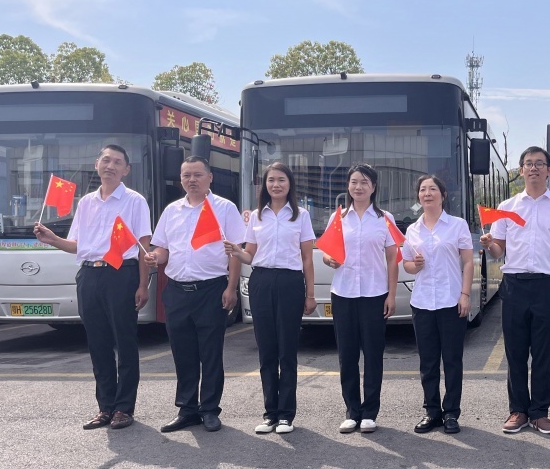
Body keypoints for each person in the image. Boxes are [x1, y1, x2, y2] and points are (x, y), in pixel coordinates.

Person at [34, 145, 152, 430]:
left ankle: (124, 408)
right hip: (89, 275)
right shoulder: (86, 202)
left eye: (118, 162)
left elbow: (143, 246)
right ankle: (105, 407)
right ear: (97, 164)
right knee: (97, 343)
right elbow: (78, 245)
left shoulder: (135, 201)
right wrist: (52, 239)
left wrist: (143, 284)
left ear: (126, 170)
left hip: (121, 275)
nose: (111, 166)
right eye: (106, 160)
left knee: (124, 341)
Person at [479, 146, 550, 435]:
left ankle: (540, 413)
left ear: (549, 170)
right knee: (516, 353)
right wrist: (489, 244)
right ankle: (519, 411)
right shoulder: (507, 207)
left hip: (548, 286)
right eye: (528, 164)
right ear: (521, 170)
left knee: (543, 354)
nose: (534, 168)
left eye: (539, 163)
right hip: (515, 286)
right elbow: (499, 250)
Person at [144, 156, 244, 433]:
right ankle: (187, 409)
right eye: (186, 175)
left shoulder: (224, 208)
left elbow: (235, 251)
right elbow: (163, 248)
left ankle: (209, 409)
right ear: (180, 179)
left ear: (210, 177)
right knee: (183, 353)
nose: (192, 180)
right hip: (177, 291)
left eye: (197, 175)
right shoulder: (172, 211)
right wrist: (155, 257)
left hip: (211, 290)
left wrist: (231, 288)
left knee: (210, 353)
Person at [223, 162, 316, 435]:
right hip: (261, 281)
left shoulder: (301, 216)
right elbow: (250, 255)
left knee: (287, 350)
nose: (276, 185)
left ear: (290, 184)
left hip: (290, 282)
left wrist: (310, 294)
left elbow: (307, 259)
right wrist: (236, 251)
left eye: (281, 180)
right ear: (264, 185)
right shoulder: (257, 216)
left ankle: (286, 415)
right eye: (271, 180)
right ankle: (270, 414)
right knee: (266, 350)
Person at [319, 163, 398, 434]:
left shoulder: (385, 218)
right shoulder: (338, 218)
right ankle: (352, 412)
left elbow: (392, 258)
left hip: (375, 294)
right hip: (344, 293)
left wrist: (391, 294)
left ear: (373, 187)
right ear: (348, 186)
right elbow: (326, 251)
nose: (358, 187)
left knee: (373, 355)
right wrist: (328, 259)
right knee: (347, 355)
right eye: (354, 182)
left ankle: (370, 413)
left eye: (364, 182)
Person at [401, 174, 474, 435]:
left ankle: (451, 412)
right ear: (418, 197)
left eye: (432, 189)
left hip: (451, 301)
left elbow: (468, 262)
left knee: (452, 360)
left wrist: (465, 294)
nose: (427, 193)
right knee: (428, 362)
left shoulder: (457, 225)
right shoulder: (412, 230)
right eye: (423, 190)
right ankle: (432, 412)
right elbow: (407, 264)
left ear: (442, 195)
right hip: (422, 303)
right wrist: (414, 265)